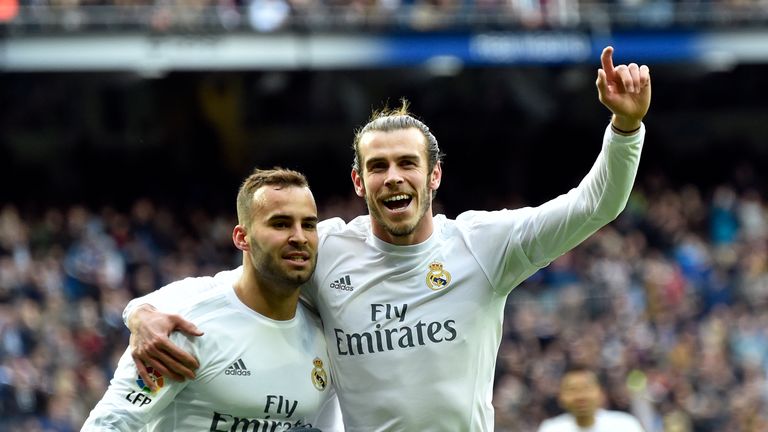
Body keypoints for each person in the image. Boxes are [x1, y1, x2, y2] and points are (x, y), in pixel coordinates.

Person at [122, 46, 651, 431]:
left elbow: (594, 204)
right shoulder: (327, 249)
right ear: (358, 182)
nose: (393, 176)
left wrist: (625, 130)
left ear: (434, 176)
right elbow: (231, 284)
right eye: (378, 166)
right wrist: (142, 311)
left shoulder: (484, 245)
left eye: (406, 163)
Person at [82, 168, 342, 431]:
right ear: (242, 238)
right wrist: (138, 311)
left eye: (308, 225)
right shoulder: (183, 326)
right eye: (281, 224)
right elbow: (110, 423)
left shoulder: (324, 333)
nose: (299, 237)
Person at [537, 365, 646, 432]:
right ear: (561, 397)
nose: (580, 396)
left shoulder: (625, 426)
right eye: (572, 389)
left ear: (601, 393)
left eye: (586, 388)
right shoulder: (550, 429)